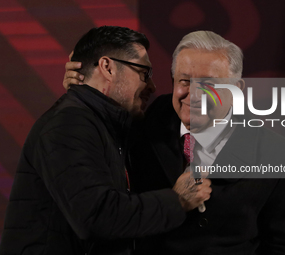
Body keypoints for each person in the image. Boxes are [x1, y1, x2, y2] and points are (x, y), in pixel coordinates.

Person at [63, 30, 285, 254]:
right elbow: (97, 135)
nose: (193, 94)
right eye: (184, 81)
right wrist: (86, 88)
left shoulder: (282, 159)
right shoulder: (147, 121)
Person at [0, 26, 213, 255]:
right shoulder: (69, 124)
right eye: (144, 73)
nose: (151, 86)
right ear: (108, 67)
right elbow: (96, 216)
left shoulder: (113, 125)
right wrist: (177, 200)